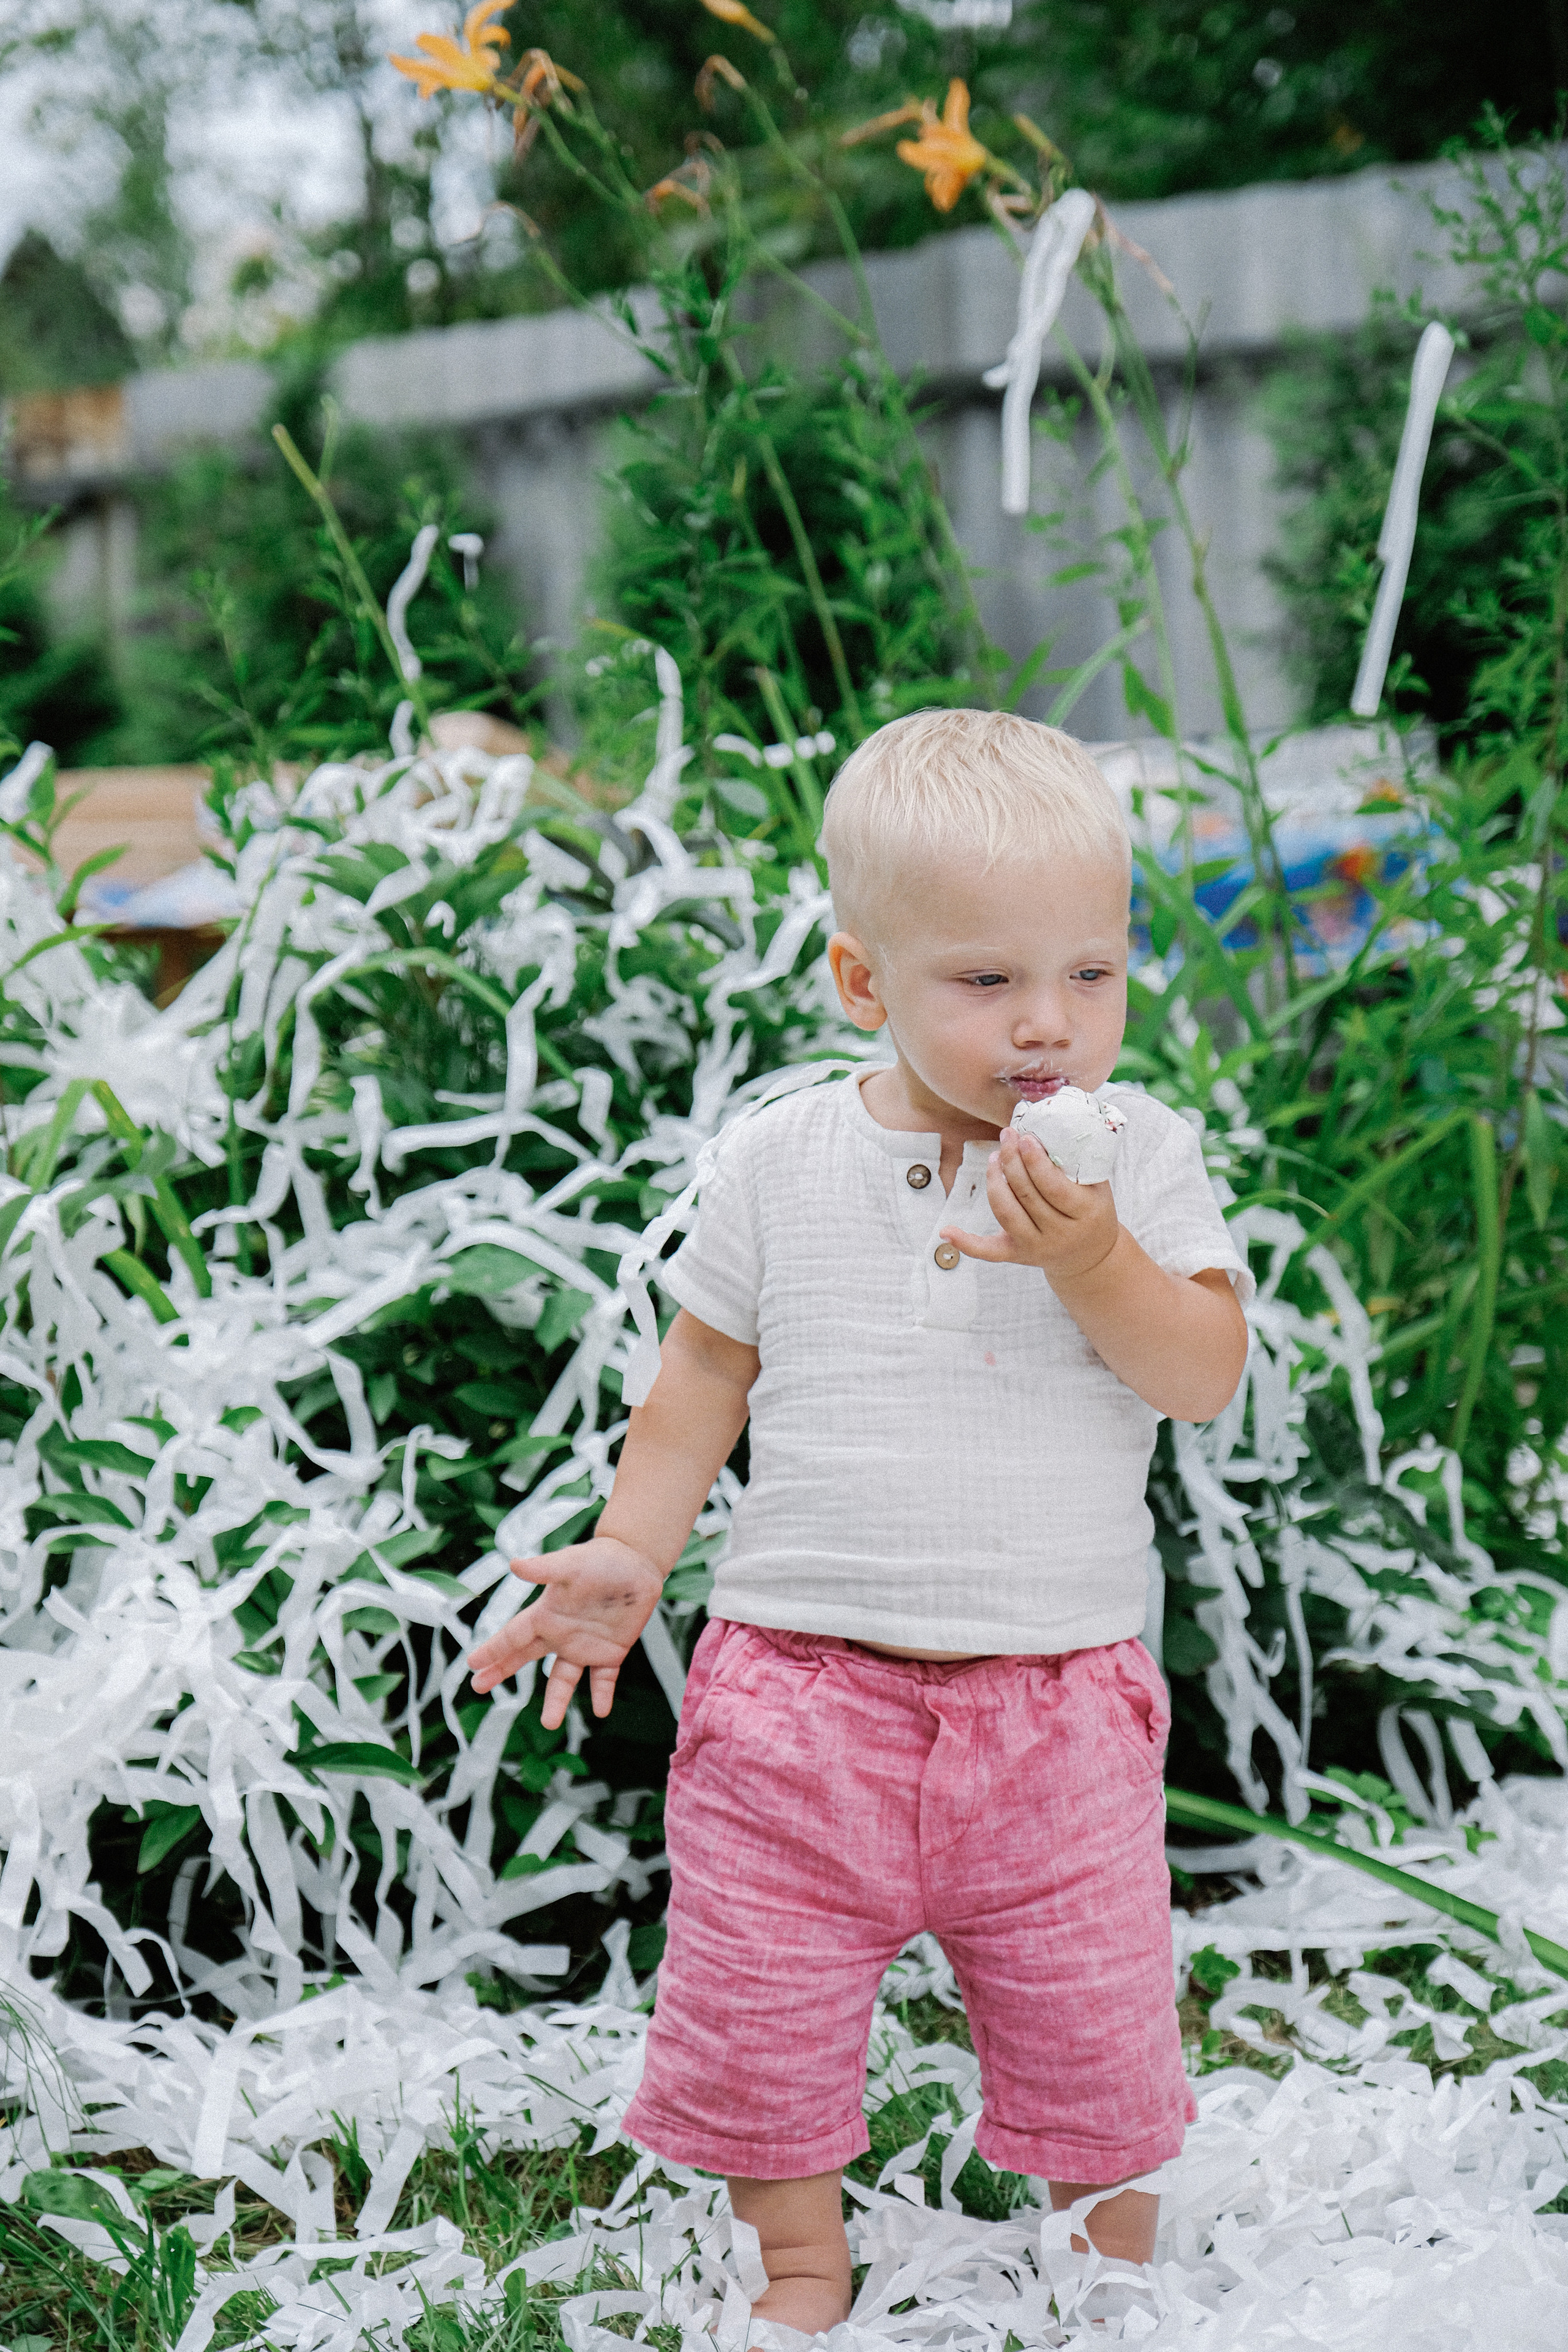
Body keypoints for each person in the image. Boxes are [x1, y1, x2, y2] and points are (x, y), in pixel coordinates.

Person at [469, 708, 1253, 2335]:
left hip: (1057, 1705)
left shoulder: (1139, 1161)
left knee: (1095, 2026)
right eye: (987, 982)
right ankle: (800, 2264)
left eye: (1091, 975)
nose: (1049, 1026)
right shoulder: (781, 1161)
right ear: (861, 982)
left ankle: (1102, 2274)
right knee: (762, 2006)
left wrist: (1094, 1258)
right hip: (800, 1694)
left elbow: (1201, 1373)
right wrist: (634, 1551)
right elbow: (701, 1374)